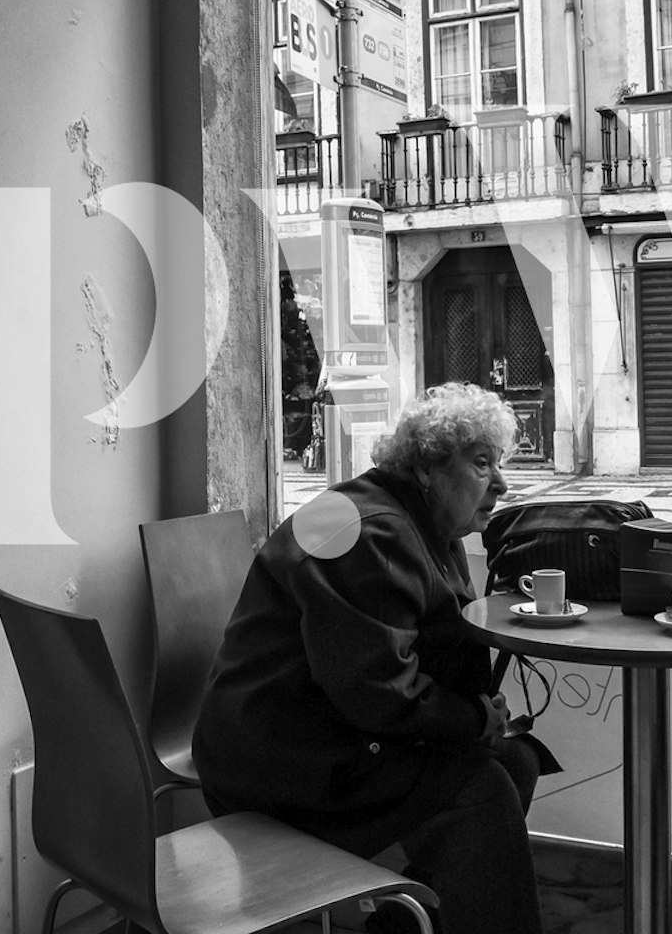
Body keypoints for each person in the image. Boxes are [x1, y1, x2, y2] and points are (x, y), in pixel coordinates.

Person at [193, 381, 559, 934]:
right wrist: (473, 720)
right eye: (483, 464)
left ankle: (403, 923)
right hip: (283, 759)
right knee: (482, 789)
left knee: (515, 761)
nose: (502, 484)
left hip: (304, 725)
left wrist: (475, 716)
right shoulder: (372, 533)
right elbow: (376, 690)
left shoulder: (412, 517)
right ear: (427, 468)